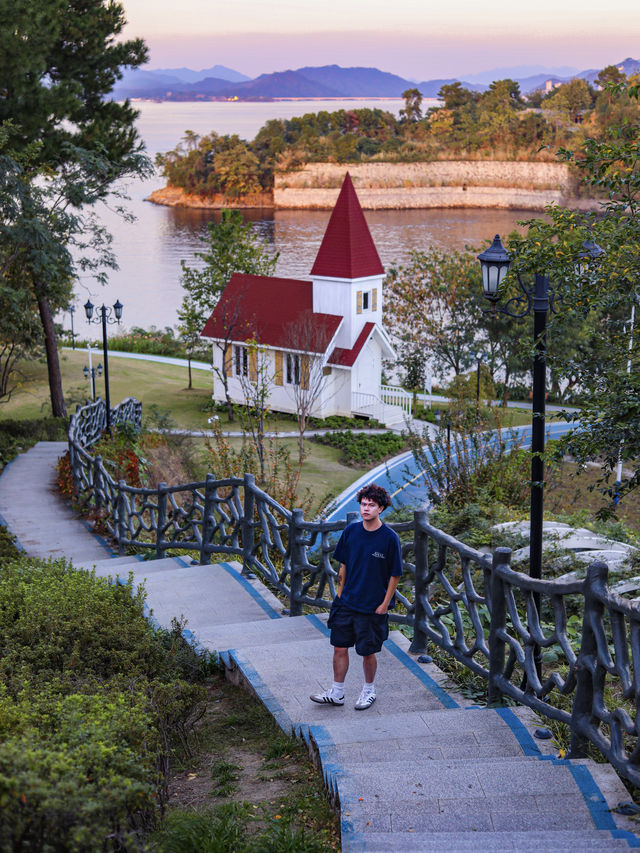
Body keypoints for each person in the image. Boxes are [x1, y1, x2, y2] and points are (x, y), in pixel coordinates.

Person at [310, 483, 402, 711]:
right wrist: (339, 596)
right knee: (339, 648)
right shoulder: (351, 532)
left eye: (371, 505)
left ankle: (369, 690)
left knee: (367, 652)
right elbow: (343, 566)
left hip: (372, 607)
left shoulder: (390, 538)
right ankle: (337, 693)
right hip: (346, 603)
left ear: (381, 508)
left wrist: (384, 605)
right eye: (363, 504)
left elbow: (395, 574)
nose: (366, 508)